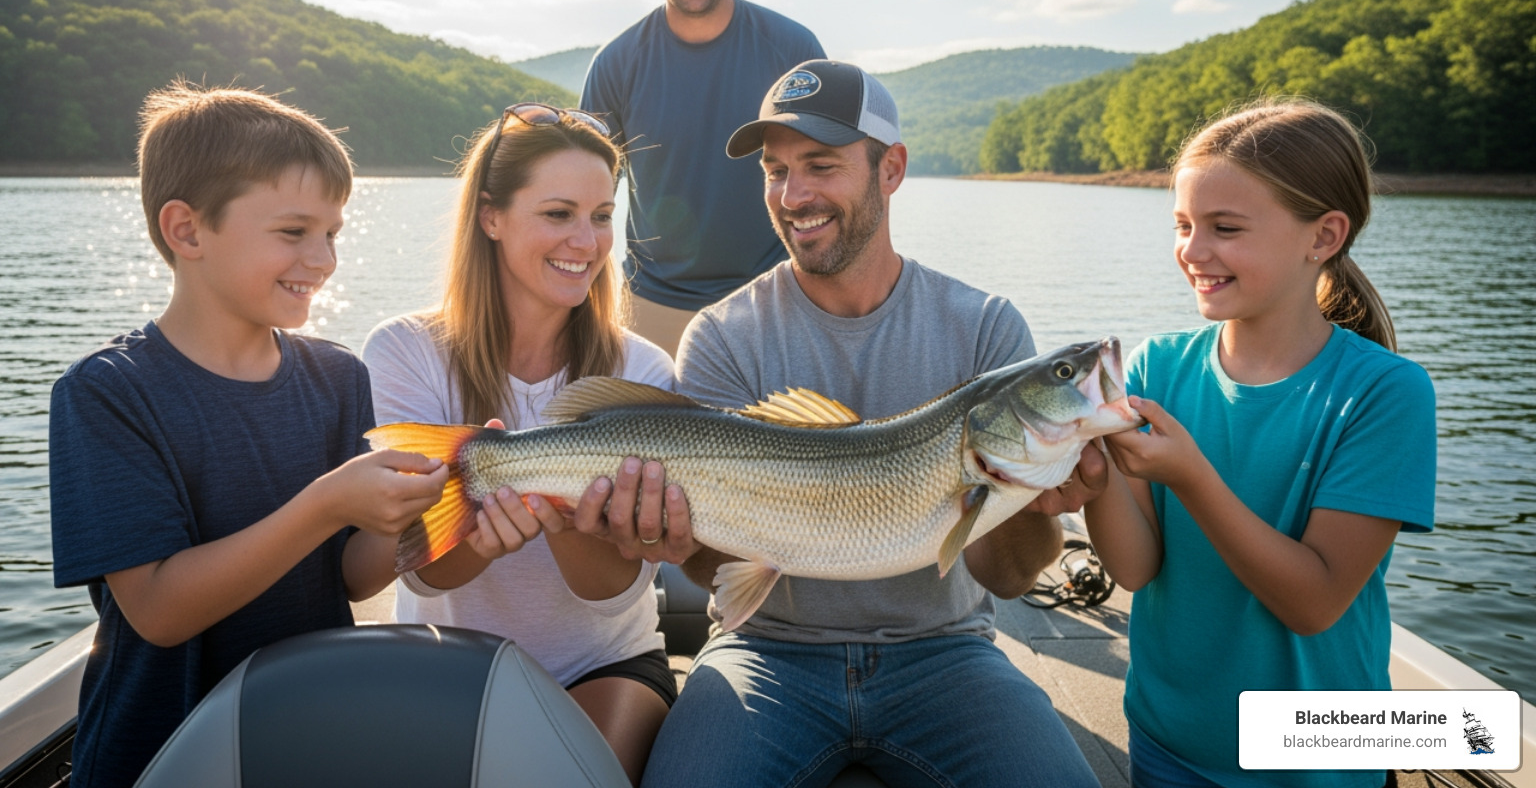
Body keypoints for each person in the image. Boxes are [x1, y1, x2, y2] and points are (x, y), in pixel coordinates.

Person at [597, 59, 1102, 788]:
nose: (793, 196)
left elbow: (1013, 576)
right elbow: (714, 570)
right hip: (765, 654)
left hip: (947, 652)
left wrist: (1030, 490)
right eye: (775, 170)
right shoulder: (722, 335)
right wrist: (669, 538)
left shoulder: (985, 327)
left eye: (821, 166)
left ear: (890, 169)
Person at [48, 82, 448, 788]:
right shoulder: (106, 393)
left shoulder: (337, 376)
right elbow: (160, 611)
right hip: (159, 760)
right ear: (187, 230)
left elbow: (351, 577)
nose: (322, 259)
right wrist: (326, 503)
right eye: (294, 232)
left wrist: (426, 508)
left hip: (305, 743)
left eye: (332, 234)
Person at [1083, 99, 1437, 788]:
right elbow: (1135, 568)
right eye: (1183, 225)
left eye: (1226, 228)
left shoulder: (1385, 394)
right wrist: (1096, 478)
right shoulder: (1158, 367)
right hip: (1167, 742)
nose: (1192, 250)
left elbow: (1315, 602)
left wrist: (1191, 477)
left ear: (1323, 236)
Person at [361, 102, 677, 785]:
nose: (587, 242)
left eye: (601, 216)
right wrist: (478, 538)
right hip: (446, 657)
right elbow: (420, 570)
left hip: (605, 662)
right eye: (559, 214)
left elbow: (616, 593)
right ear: (491, 217)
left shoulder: (644, 370)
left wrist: (565, 521)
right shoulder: (403, 352)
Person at [580, 0, 826, 356]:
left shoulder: (794, 51)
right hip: (650, 309)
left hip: (775, 301)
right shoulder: (616, 63)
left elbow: (829, 177)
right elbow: (583, 198)